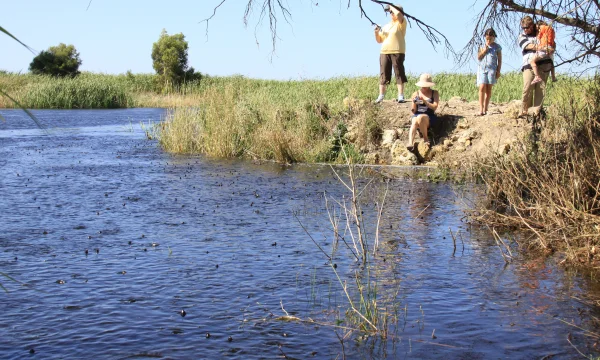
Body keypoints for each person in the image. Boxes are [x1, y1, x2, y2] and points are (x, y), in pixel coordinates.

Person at [518, 16, 554, 117]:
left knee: (541, 90)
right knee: (527, 87)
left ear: (532, 25)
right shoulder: (522, 36)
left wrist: (548, 47)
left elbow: (551, 44)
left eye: (527, 27)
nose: (525, 29)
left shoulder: (541, 32)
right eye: (523, 27)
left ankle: (536, 113)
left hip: (544, 64)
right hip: (529, 65)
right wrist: (542, 47)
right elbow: (528, 46)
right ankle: (524, 111)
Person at [374, 4, 408, 103]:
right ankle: (381, 95)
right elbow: (379, 40)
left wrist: (391, 6)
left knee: (399, 73)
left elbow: (399, 16)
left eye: (392, 12)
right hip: (384, 52)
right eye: (390, 12)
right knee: (383, 74)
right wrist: (376, 33)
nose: (391, 14)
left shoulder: (401, 23)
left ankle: (400, 95)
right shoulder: (387, 26)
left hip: (397, 51)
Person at [407, 73, 439, 151]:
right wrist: (414, 102)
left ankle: (425, 139)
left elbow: (434, 107)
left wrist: (425, 102)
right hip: (417, 114)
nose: (424, 87)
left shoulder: (434, 93)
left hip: (429, 115)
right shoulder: (416, 93)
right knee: (415, 120)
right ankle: (410, 143)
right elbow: (414, 110)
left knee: (421, 117)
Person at [476, 28, 502, 116]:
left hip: (492, 69)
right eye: (487, 39)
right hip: (482, 69)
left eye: (490, 39)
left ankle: (486, 107)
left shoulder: (497, 47)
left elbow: (500, 60)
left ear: (494, 37)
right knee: (482, 86)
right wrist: (484, 51)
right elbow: (479, 58)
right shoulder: (481, 45)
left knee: (489, 88)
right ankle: (481, 108)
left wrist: (498, 70)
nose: (488, 40)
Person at [530, 20, 557, 84]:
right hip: (550, 48)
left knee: (532, 61)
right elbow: (553, 41)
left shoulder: (541, 29)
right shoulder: (550, 29)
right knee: (551, 63)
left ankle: (536, 76)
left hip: (544, 48)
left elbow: (539, 37)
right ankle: (553, 76)